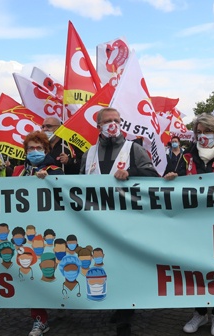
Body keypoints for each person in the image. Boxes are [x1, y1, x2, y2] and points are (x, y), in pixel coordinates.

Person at [80, 107, 159, 336]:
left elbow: (153, 176)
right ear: (99, 126)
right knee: (106, 264)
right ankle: (117, 303)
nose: (113, 123)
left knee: (126, 265)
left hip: (128, 221)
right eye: (108, 121)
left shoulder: (134, 149)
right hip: (99, 222)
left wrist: (131, 172)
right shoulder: (89, 154)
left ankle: (125, 316)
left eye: (116, 120)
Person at [164, 114, 214, 336]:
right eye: (198, 132)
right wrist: (170, 177)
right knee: (197, 268)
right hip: (194, 225)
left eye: (206, 131)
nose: (202, 136)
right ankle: (200, 312)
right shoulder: (186, 158)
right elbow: (170, 181)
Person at [12, 131, 64, 336]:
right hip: (26, 230)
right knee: (31, 272)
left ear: (46, 150)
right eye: (30, 148)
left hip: (51, 229)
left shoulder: (56, 169)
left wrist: (49, 179)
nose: (34, 152)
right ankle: (40, 318)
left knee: (53, 269)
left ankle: (62, 301)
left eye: (38, 148)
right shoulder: (17, 170)